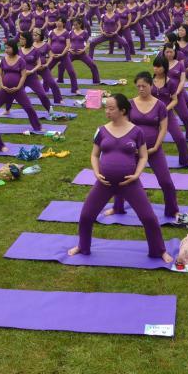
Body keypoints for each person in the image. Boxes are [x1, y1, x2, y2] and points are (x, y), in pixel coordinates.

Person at [67, 94, 173, 264]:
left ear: (123, 110)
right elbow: (94, 155)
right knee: (86, 216)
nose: (106, 111)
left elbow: (144, 156)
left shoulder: (137, 132)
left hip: (130, 184)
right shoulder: (101, 130)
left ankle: (158, 250)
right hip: (105, 183)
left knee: (149, 218)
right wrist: (96, 172)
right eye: (106, 108)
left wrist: (137, 174)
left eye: (111, 108)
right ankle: (83, 246)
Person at [108, 72, 179, 219]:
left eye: (144, 86)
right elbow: (124, 125)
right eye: (138, 86)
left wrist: (156, 147)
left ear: (151, 86)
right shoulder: (130, 104)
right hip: (132, 149)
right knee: (122, 177)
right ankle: (117, 207)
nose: (141, 89)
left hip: (153, 148)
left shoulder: (159, 105)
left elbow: (163, 128)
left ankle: (172, 210)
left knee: (165, 181)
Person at [0, 40, 43, 132]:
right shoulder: (3, 60)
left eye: (8, 48)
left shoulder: (21, 60)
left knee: (28, 107)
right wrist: (2, 86)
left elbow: (23, 75)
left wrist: (18, 87)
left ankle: (37, 127)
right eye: (5, 47)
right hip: (5, 89)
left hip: (18, 90)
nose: (6, 50)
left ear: (14, 48)